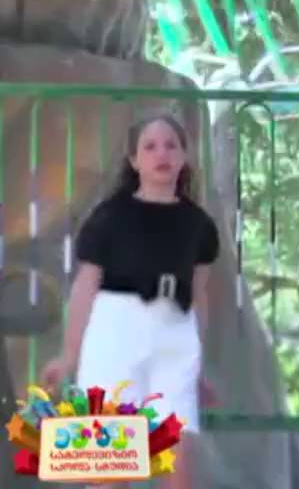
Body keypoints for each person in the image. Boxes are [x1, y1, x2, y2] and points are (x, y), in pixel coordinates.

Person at [42, 113, 220, 489]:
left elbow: (199, 295)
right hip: (115, 334)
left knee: (178, 466)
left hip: (175, 335)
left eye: (171, 145)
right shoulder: (109, 217)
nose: (162, 154)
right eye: (150, 147)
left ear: (184, 157)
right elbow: (84, 289)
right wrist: (69, 356)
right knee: (111, 467)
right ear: (134, 160)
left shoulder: (200, 225)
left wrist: (199, 364)